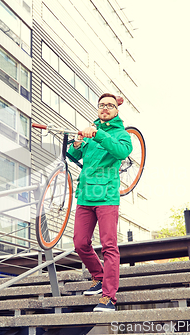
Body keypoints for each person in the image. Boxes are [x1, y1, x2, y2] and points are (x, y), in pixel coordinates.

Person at [67, 93, 133, 312]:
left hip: (106, 195)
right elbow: (73, 155)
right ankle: (99, 276)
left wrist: (99, 134)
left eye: (110, 105)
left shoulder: (121, 134)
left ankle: (109, 297)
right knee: (80, 243)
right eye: (101, 105)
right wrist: (77, 143)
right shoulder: (89, 131)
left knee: (109, 246)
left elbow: (122, 151)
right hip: (85, 195)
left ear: (116, 111)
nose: (105, 108)